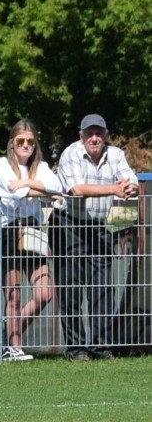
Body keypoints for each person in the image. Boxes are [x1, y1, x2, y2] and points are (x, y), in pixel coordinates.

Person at [54, 114, 139, 361]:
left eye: (99, 133)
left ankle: (100, 347)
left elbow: (130, 178)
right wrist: (115, 188)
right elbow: (77, 190)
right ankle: (76, 349)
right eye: (89, 133)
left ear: (105, 134)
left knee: (103, 288)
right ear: (81, 135)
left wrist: (130, 187)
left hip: (98, 226)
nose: (94, 138)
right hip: (68, 225)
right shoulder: (70, 153)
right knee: (70, 289)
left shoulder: (116, 154)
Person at [0, 120, 64, 361]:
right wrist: (41, 190)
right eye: (20, 141)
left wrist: (27, 182)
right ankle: (14, 347)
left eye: (30, 141)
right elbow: (13, 192)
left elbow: (57, 185)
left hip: (33, 230)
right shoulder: (1, 165)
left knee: (45, 293)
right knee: (14, 295)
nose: (25, 145)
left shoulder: (41, 166)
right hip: (9, 231)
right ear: (12, 143)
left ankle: (7, 335)